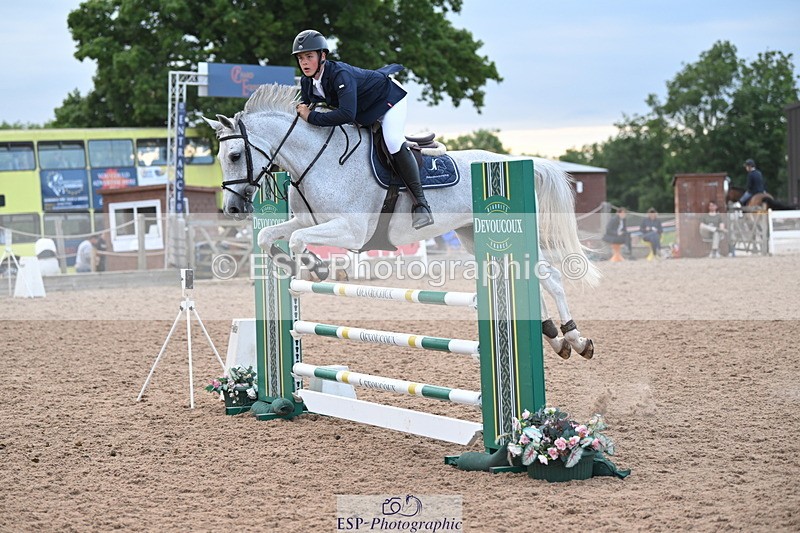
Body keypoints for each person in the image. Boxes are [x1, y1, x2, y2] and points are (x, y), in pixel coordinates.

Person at [291, 29, 434, 230]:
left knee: (392, 141)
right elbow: (305, 109)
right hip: (364, 110)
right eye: (300, 58)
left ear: (322, 56)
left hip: (388, 100)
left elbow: (346, 114)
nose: (304, 62)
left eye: (309, 56)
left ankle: (421, 205)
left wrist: (312, 116)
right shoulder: (307, 81)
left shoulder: (340, 75)